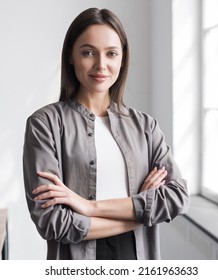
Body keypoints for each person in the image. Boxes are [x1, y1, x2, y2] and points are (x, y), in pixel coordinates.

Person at [23, 7, 189, 260]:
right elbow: (52, 221)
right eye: (88, 52)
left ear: (122, 59)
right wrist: (141, 213)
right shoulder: (45, 124)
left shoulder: (145, 126)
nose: (101, 65)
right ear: (71, 56)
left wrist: (89, 207)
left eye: (111, 53)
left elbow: (177, 196)